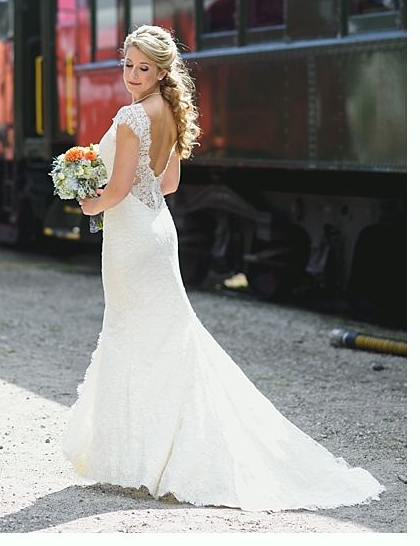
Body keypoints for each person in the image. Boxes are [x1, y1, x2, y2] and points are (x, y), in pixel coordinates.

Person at [63, 25, 384, 511]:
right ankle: (152, 456)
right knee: (161, 337)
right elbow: (167, 185)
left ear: (161, 70)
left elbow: (119, 189)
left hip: (131, 241)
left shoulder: (131, 117)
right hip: (157, 233)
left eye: (142, 67)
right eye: (127, 64)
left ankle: (147, 458)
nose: (132, 75)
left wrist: (87, 203)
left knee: (136, 336)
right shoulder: (169, 111)